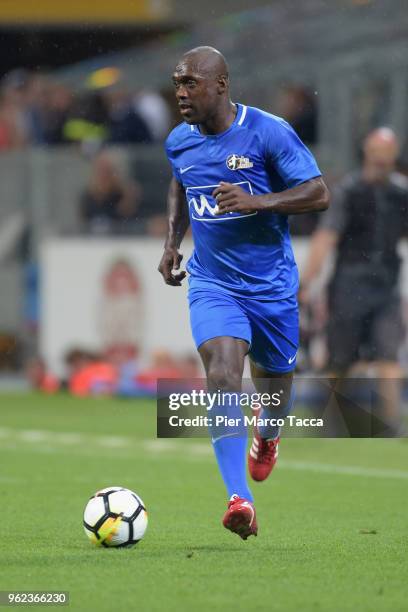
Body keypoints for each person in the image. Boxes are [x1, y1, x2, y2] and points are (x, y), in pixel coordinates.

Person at [158, 46, 329, 539]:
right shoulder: (179, 141)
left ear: (221, 86)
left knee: (275, 391)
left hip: (271, 287)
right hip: (214, 283)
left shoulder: (267, 131)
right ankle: (239, 499)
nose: (182, 93)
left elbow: (318, 193)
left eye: (191, 84)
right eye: (177, 84)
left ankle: (269, 434)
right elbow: (179, 182)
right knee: (222, 374)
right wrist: (173, 242)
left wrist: (258, 201)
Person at [301, 127, 408, 433]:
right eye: (377, 153)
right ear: (367, 153)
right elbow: (326, 237)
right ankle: (327, 420)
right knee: (339, 360)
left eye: (387, 154)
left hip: (386, 286)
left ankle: (392, 427)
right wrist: (308, 281)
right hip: (349, 286)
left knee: (388, 354)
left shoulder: (401, 192)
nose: (382, 160)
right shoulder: (349, 191)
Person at [80, 150, 142, 235]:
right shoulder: (88, 198)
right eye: (100, 172)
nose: (103, 176)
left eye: (107, 172)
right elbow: (83, 225)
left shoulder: (123, 196)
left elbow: (131, 223)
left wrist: (128, 198)